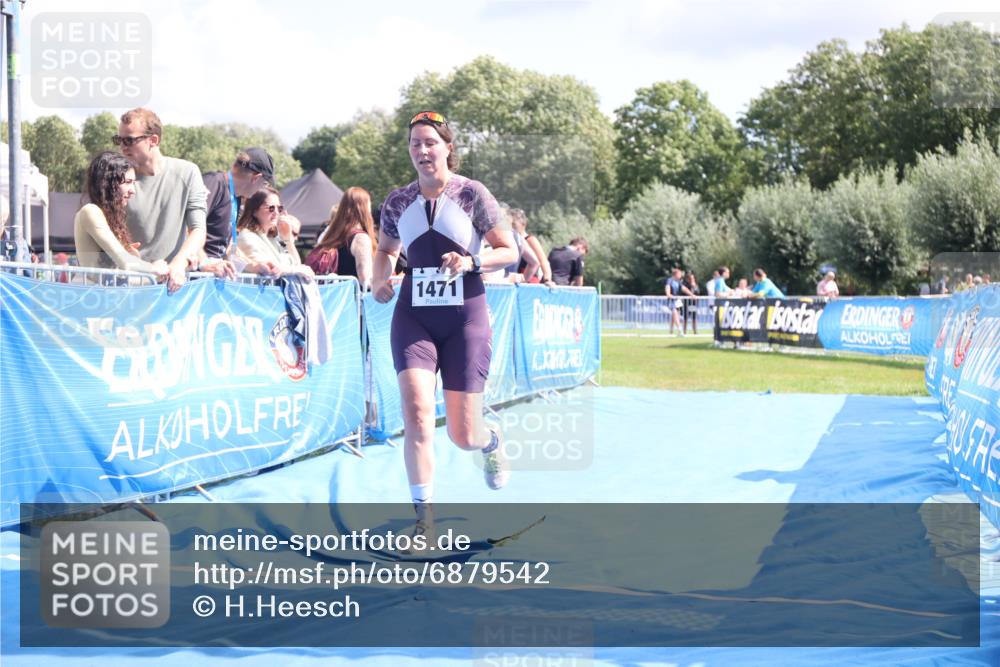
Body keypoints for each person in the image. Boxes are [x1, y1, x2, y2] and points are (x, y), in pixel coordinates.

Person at [372, 111, 518, 538]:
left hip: (464, 318)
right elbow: (385, 250)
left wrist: (471, 261)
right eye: (415, 143)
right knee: (417, 414)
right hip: (414, 317)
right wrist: (379, 279)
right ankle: (424, 520)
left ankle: (490, 440)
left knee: (463, 435)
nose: (422, 150)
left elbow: (508, 251)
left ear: (448, 147)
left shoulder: (472, 194)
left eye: (430, 142)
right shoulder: (398, 201)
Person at [117, 108, 208, 292]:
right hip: (129, 286)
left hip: (171, 286)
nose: (123, 146)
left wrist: (179, 263)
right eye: (119, 140)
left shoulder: (188, 172)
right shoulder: (117, 177)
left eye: (129, 140)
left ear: (154, 140)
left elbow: (198, 230)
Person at [73, 151, 169, 277]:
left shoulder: (105, 216)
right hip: (91, 289)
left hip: (103, 288)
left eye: (133, 183)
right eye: (128, 182)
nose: (133, 191)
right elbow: (126, 263)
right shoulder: (90, 211)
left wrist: (130, 254)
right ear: (107, 184)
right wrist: (155, 268)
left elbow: (121, 266)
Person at [203, 147, 275, 259]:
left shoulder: (235, 198)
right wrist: (205, 263)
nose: (262, 189)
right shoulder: (214, 183)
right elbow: (188, 229)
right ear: (256, 178)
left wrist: (253, 265)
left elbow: (227, 247)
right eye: (265, 184)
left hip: (214, 266)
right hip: (196, 267)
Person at [305, 187, 376, 288]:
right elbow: (365, 279)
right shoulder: (361, 238)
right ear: (365, 209)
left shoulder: (333, 236)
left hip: (331, 295)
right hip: (352, 296)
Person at [236, 187, 314, 279]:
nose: (276, 212)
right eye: (271, 208)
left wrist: (288, 239)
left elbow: (297, 264)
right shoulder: (247, 237)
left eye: (279, 208)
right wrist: (297, 270)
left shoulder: (272, 239)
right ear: (254, 211)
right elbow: (269, 269)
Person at [510, 208, 553, 286]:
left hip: (529, 283)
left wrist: (547, 279)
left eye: (513, 224)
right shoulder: (511, 241)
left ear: (523, 224)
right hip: (515, 281)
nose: (511, 227)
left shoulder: (530, 240)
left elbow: (543, 261)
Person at [664, 267, 684, 335]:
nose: (681, 275)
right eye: (680, 274)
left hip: (677, 301)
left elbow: (684, 288)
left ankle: (671, 331)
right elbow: (667, 289)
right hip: (671, 301)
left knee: (675, 316)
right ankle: (680, 330)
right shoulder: (670, 280)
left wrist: (692, 295)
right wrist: (668, 294)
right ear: (676, 274)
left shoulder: (679, 282)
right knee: (675, 314)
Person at [681, 270, 700, 335]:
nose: (692, 279)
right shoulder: (685, 284)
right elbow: (685, 292)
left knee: (694, 317)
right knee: (685, 318)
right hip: (686, 303)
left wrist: (694, 286)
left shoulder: (696, 285)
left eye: (693, 278)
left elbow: (698, 293)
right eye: (691, 278)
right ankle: (684, 332)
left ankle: (695, 331)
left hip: (693, 304)